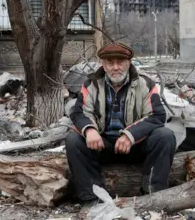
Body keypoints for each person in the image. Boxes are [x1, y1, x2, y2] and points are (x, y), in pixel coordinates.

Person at [66, 41, 177, 203]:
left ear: (128, 63)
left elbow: (156, 115)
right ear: (103, 65)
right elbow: (79, 113)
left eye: (120, 62)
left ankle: (154, 196)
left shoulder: (145, 84)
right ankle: (91, 199)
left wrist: (130, 135)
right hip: (102, 145)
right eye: (110, 63)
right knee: (73, 140)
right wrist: (90, 130)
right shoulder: (91, 84)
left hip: (136, 146)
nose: (115, 67)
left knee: (165, 136)